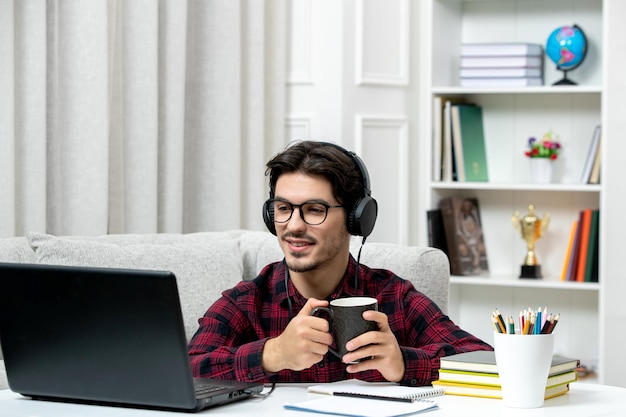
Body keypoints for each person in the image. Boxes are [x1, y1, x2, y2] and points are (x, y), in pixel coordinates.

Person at [188, 140, 492, 386]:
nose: (293, 225)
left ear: (356, 218)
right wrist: (273, 353)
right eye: (283, 208)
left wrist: (404, 363)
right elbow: (187, 368)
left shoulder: (393, 297)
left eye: (314, 209)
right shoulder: (247, 302)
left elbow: (483, 362)